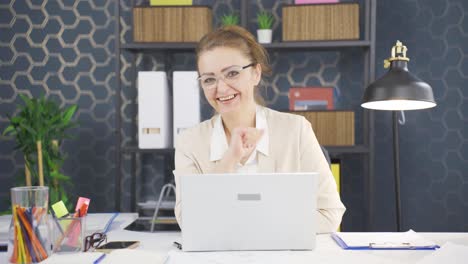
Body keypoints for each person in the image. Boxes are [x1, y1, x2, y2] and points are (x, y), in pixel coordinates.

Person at [173, 25, 346, 233]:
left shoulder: (296, 130)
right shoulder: (189, 142)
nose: (221, 88)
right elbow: (190, 222)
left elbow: (329, 213)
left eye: (232, 73)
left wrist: (252, 228)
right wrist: (229, 160)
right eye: (209, 79)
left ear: (255, 73)